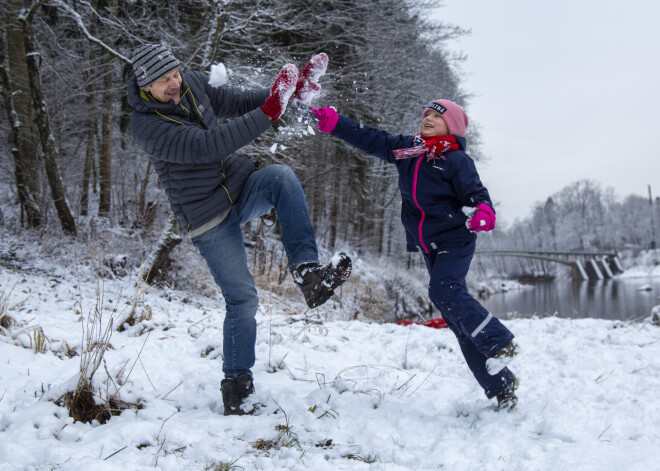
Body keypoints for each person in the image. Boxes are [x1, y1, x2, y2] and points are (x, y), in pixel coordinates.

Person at [126, 44, 351, 416]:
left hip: (238, 186)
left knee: (281, 176)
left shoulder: (192, 84)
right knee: (243, 299)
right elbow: (208, 145)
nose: (174, 83)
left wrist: (286, 94)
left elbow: (235, 101)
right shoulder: (146, 126)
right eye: (164, 81)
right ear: (146, 86)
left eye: (175, 74)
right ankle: (237, 387)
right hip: (206, 216)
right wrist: (270, 112)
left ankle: (309, 275)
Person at [310, 100, 519, 411]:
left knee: (442, 290)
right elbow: (371, 138)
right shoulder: (408, 151)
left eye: (438, 116)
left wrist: (484, 212)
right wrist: (335, 123)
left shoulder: (456, 160)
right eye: (427, 115)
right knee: (456, 320)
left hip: (456, 240)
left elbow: (477, 194)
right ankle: (502, 386)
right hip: (430, 246)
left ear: (454, 127)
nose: (429, 119)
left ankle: (500, 340)